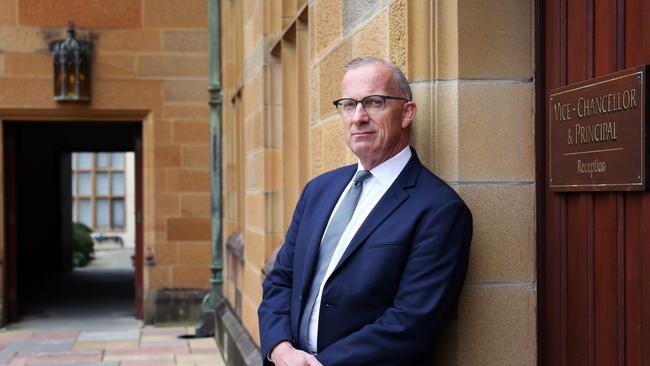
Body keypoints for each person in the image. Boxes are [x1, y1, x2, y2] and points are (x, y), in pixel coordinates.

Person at [258, 56, 473, 366]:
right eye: (348, 104)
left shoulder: (439, 209)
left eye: (374, 102)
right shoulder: (317, 191)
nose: (358, 117)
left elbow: (412, 322)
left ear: (406, 113)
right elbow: (280, 281)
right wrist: (280, 350)